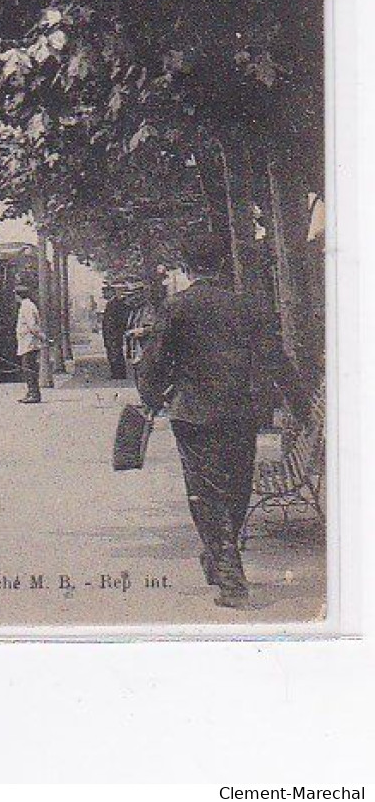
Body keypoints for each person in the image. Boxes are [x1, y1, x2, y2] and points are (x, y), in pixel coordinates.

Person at [134, 232, 305, 610]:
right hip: (238, 411)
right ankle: (221, 557)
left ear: (187, 266)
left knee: (204, 490)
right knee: (237, 485)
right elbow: (276, 356)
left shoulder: (176, 307)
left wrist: (148, 397)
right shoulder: (248, 305)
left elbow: (156, 362)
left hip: (192, 414)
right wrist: (301, 405)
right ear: (225, 266)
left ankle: (229, 575)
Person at [14, 284, 44, 404]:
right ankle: (31, 392)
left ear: (18, 295)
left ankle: (34, 394)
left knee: (29, 369)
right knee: (29, 368)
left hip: (29, 343)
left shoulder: (27, 307)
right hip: (27, 342)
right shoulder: (27, 305)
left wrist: (42, 337)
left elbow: (32, 326)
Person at [101, 284, 131, 379]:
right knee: (112, 352)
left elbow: (121, 318)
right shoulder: (112, 302)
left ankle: (119, 373)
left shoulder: (120, 303)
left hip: (115, 331)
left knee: (116, 352)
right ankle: (116, 372)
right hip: (109, 331)